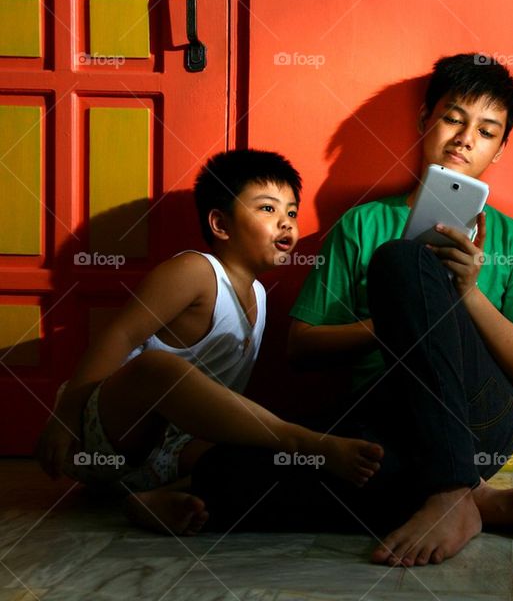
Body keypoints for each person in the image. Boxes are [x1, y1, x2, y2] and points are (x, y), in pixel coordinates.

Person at [189, 53, 513, 566]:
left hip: (482, 418)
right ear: (424, 120)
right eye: (453, 118)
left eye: (486, 131)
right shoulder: (363, 224)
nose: (465, 138)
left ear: (499, 149)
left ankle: (452, 491)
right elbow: (302, 347)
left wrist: (466, 293)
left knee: (403, 260)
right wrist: (398, 324)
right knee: (219, 478)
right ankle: (474, 499)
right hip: (383, 417)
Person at [35, 149, 384, 535]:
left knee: (262, 453)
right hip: (114, 431)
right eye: (268, 209)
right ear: (220, 223)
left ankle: (150, 500)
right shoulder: (196, 271)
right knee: (159, 369)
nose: (286, 224)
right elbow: (120, 334)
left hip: (174, 451)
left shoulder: (261, 297)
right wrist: (64, 418)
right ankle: (303, 441)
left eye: (292, 212)